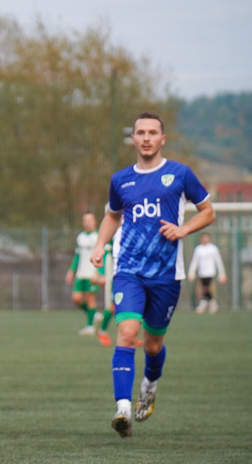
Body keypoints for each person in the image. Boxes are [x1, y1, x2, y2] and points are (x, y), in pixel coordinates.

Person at [90, 111, 215, 438]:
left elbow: (208, 212)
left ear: (162, 139)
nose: (146, 138)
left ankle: (149, 384)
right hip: (128, 270)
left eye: (152, 132)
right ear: (133, 139)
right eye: (140, 132)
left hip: (165, 276)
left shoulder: (179, 174)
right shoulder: (121, 180)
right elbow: (112, 216)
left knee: (153, 344)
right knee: (127, 334)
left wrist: (184, 228)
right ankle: (123, 409)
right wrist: (101, 245)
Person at [65, 212, 102, 336]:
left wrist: (98, 272)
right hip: (81, 273)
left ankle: (90, 326)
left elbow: (104, 255)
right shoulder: (80, 237)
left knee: (91, 299)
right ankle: (94, 314)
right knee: (76, 298)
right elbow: (77, 256)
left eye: (90, 220)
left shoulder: (98, 237)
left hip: (92, 272)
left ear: (95, 221)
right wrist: (71, 271)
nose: (87, 222)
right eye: (85, 220)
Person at [187, 232, 227, 313]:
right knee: (205, 288)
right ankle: (212, 303)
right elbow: (195, 262)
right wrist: (191, 272)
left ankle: (204, 303)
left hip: (211, 272)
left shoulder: (213, 249)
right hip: (202, 273)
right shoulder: (198, 249)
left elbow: (218, 261)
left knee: (207, 288)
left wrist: (222, 273)